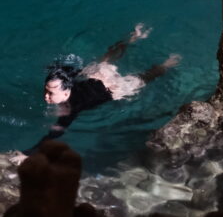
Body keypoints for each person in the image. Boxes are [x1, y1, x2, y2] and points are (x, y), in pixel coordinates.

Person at [10, 24, 181, 163]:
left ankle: (167, 64)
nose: (45, 96)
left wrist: (28, 153)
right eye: (45, 90)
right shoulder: (66, 83)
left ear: (66, 92)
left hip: (113, 89)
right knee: (104, 61)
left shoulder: (69, 109)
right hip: (99, 77)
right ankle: (133, 37)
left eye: (51, 93)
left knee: (144, 78)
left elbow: (54, 133)